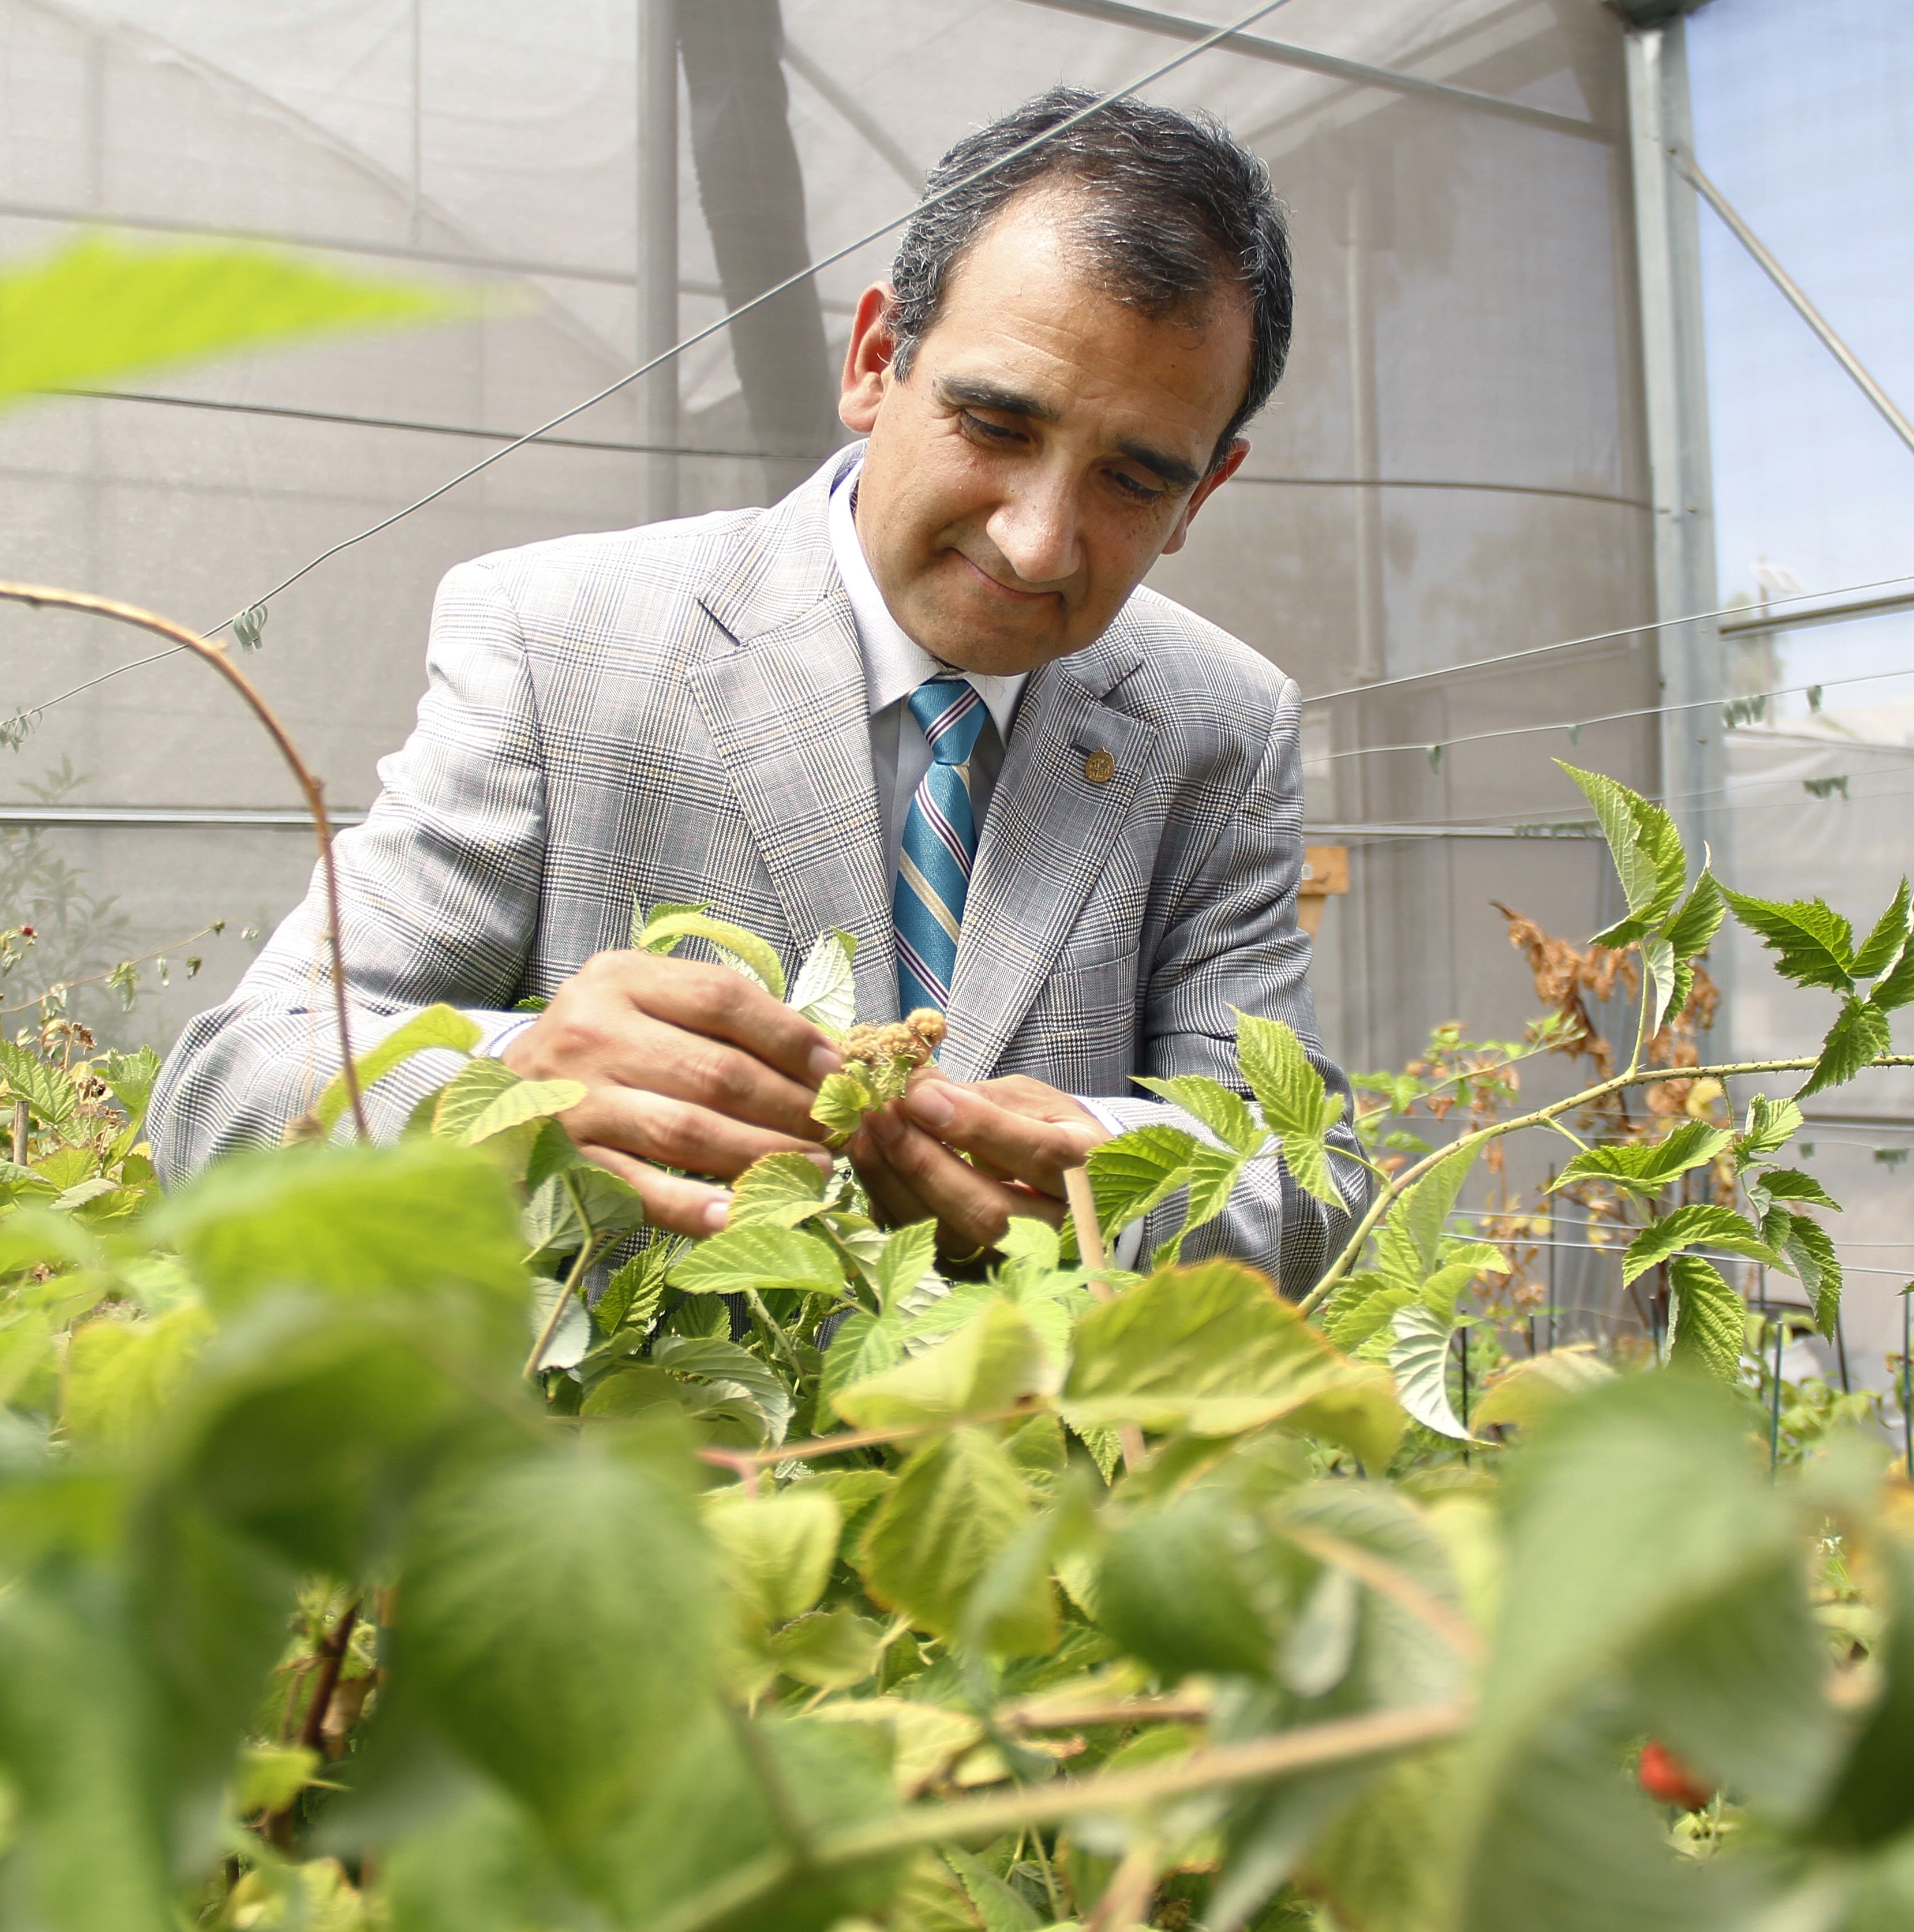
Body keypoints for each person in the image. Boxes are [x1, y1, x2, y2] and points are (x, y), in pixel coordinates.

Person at [152, 86, 1369, 1291]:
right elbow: (230, 1089)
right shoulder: (560, 640)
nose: (1038, 542)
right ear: (878, 360)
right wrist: (507, 1089)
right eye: (997, 426)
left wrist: (1117, 1186)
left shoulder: (1217, 724)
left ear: (1203, 492)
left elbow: (1309, 1188)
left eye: (1134, 482)